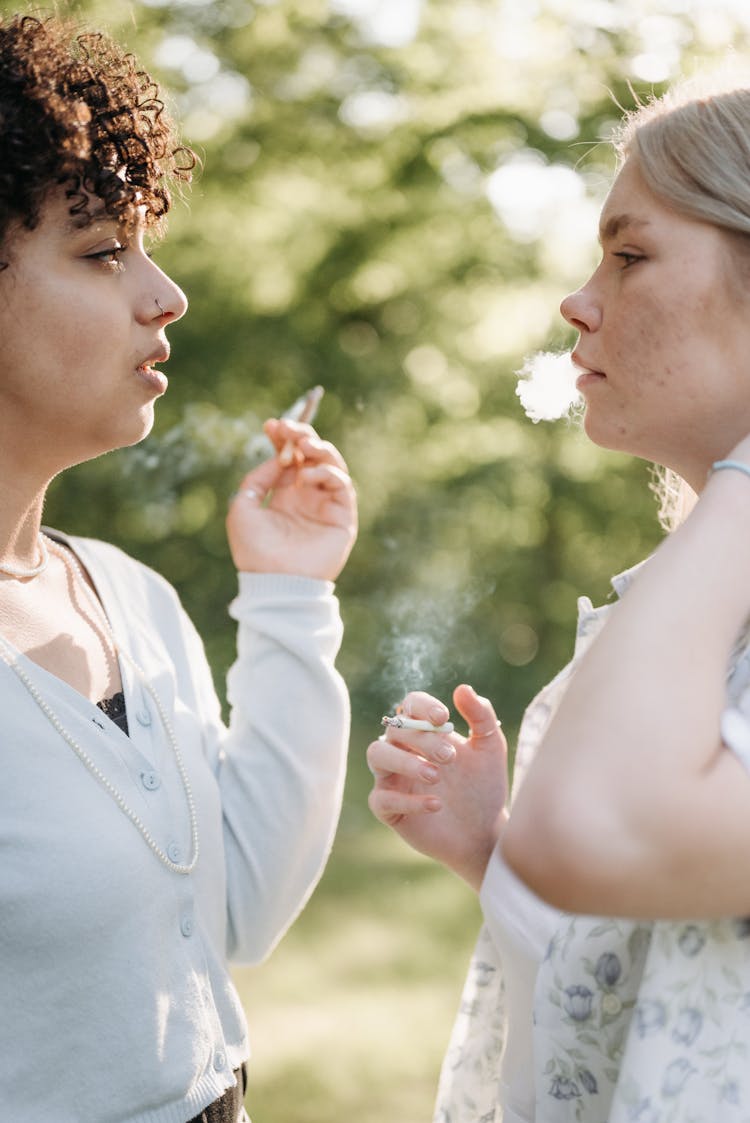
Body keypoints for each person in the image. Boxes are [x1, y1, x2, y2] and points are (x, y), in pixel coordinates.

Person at [368, 72, 750, 1122]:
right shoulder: (698, 609)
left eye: (629, 256)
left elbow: (598, 827)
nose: (579, 301)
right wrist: (498, 852)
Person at [0, 12, 357, 1123]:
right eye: (104, 252)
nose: (167, 295)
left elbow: (239, 906)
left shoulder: (129, 593)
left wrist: (292, 599)